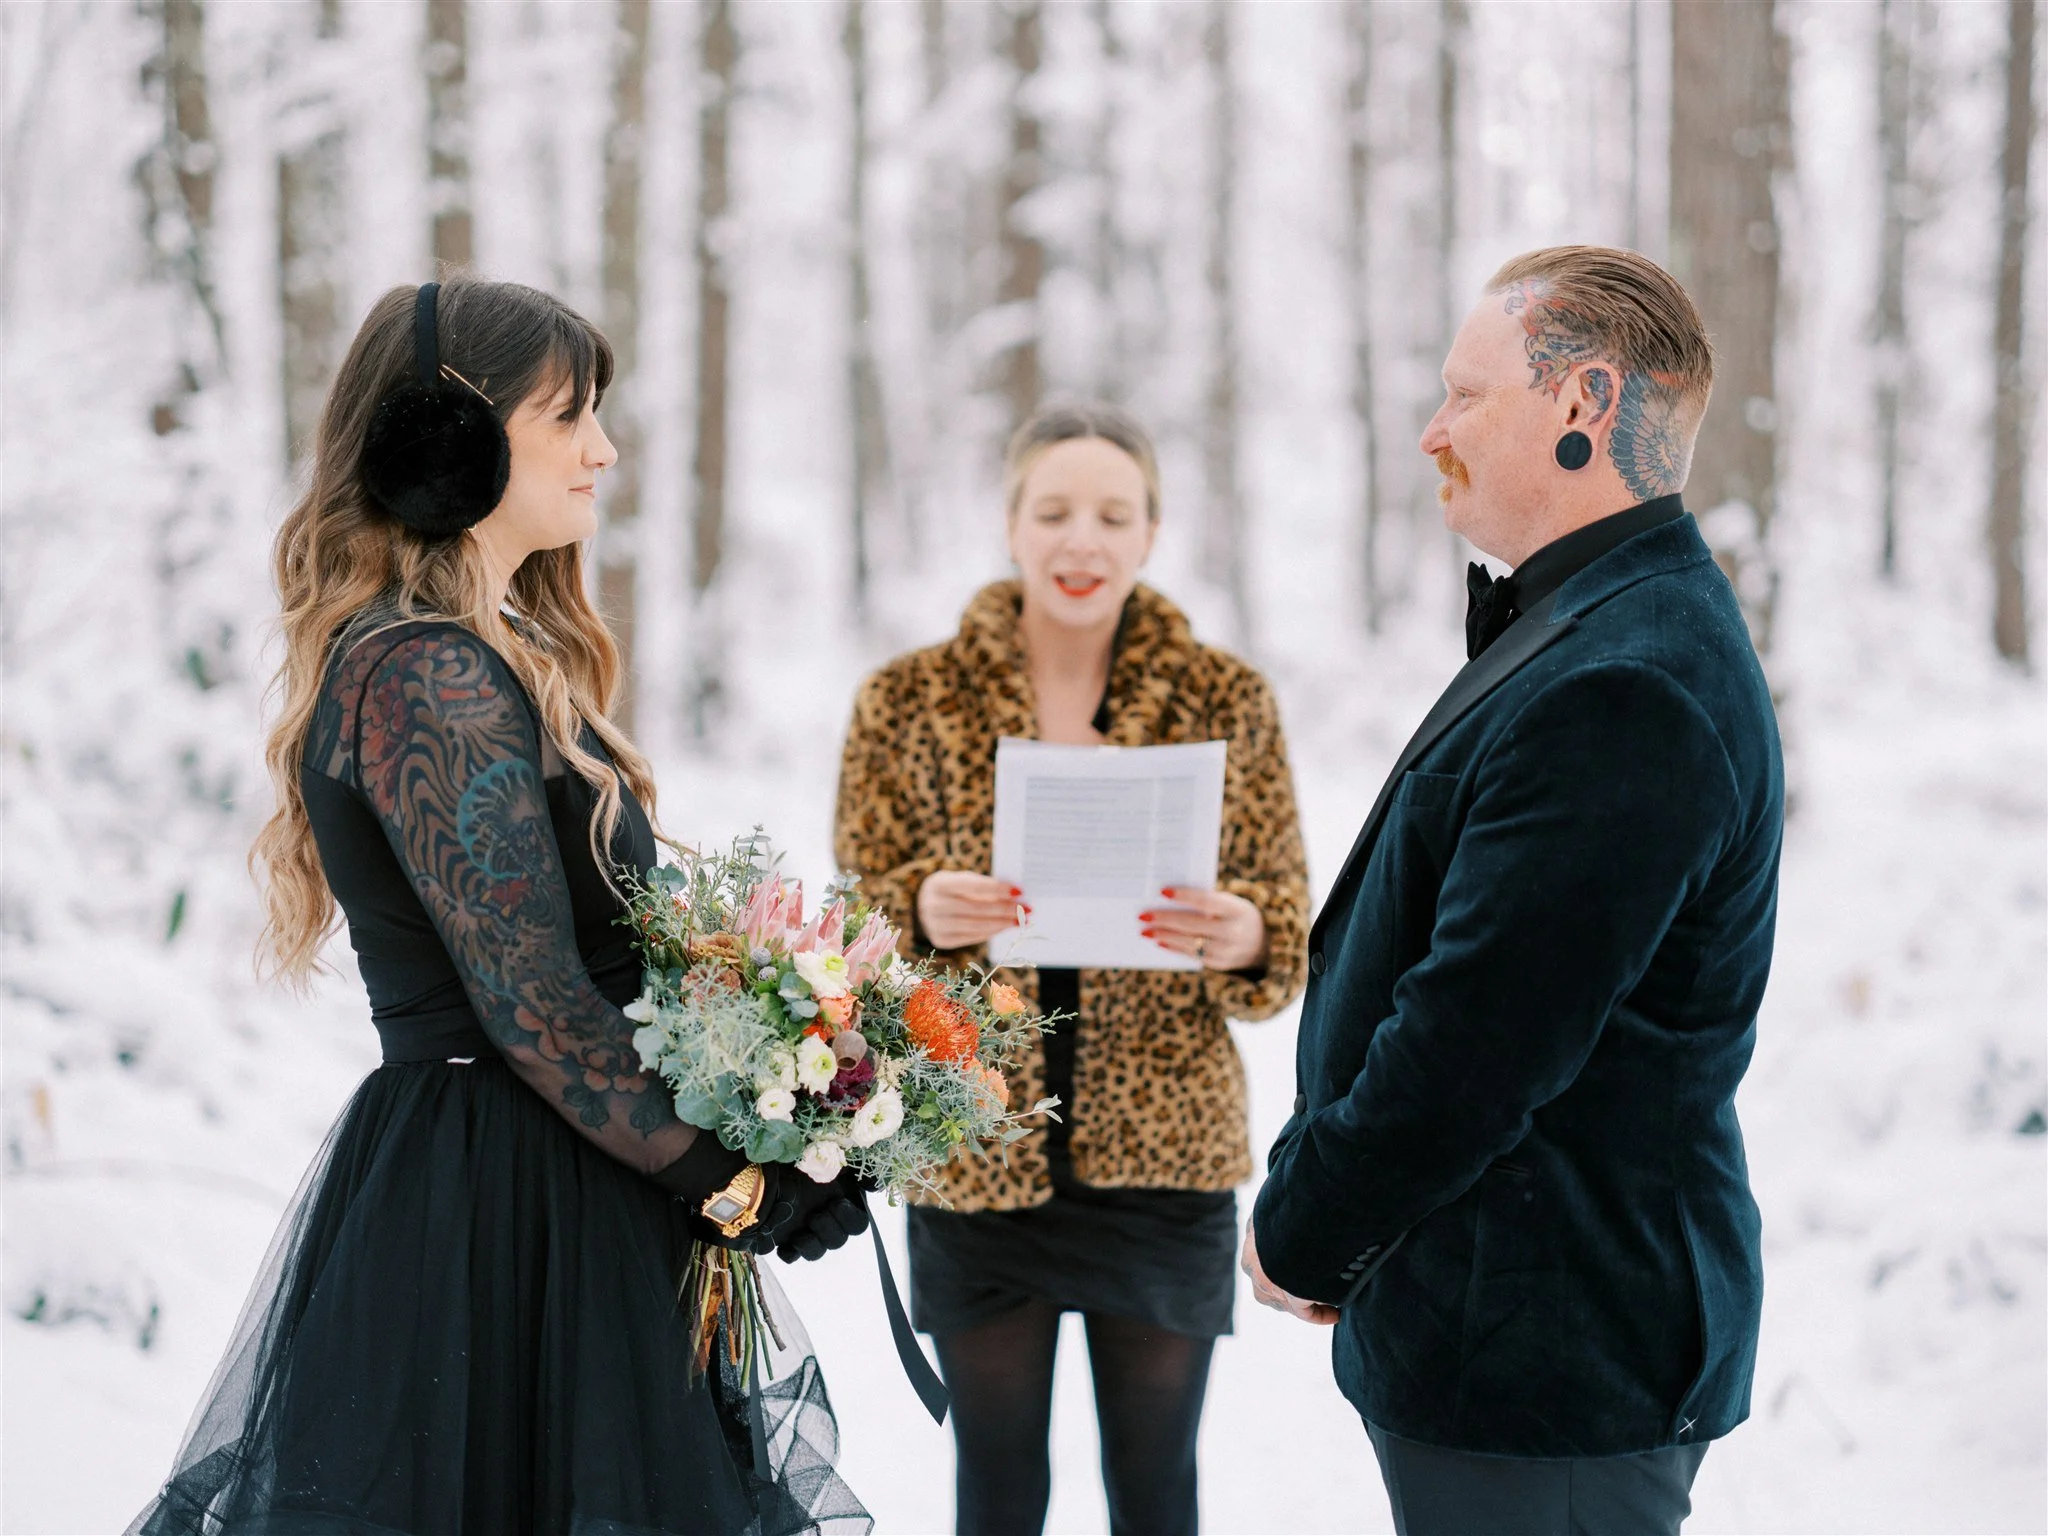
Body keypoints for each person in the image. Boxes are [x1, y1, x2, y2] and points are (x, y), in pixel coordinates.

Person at [131, 278, 871, 1536]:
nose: (604, 449)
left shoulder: (479, 650)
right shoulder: (424, 669)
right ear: (450, 438)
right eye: (568, 415)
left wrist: (765, 1094)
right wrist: (733, 1181)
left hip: (551, 1184)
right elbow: (530, 1004)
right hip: (500, 1211)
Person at [1244, 245, 1785, 1536]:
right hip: (1505, 1325)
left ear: (1582, 405)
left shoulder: (1628, 684)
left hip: (1553, 1347)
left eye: (1465, 394)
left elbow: (1477, 1040)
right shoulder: (1595, 621)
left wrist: (1313, 1229)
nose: (1434, 431)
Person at [833, 402, 1310, 1536]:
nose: (1078, 541)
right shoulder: (906, 699)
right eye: (1051, 512)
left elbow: (1283, 919)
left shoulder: (1222, 697)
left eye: (1110, 514)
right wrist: (916, 907)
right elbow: (851, 924)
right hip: (972, 1150)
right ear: (1009, 525)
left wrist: (1238, 932)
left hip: (1164, 1167)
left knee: (1155, 1493)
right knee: (996, 1494)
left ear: (1150, 532)